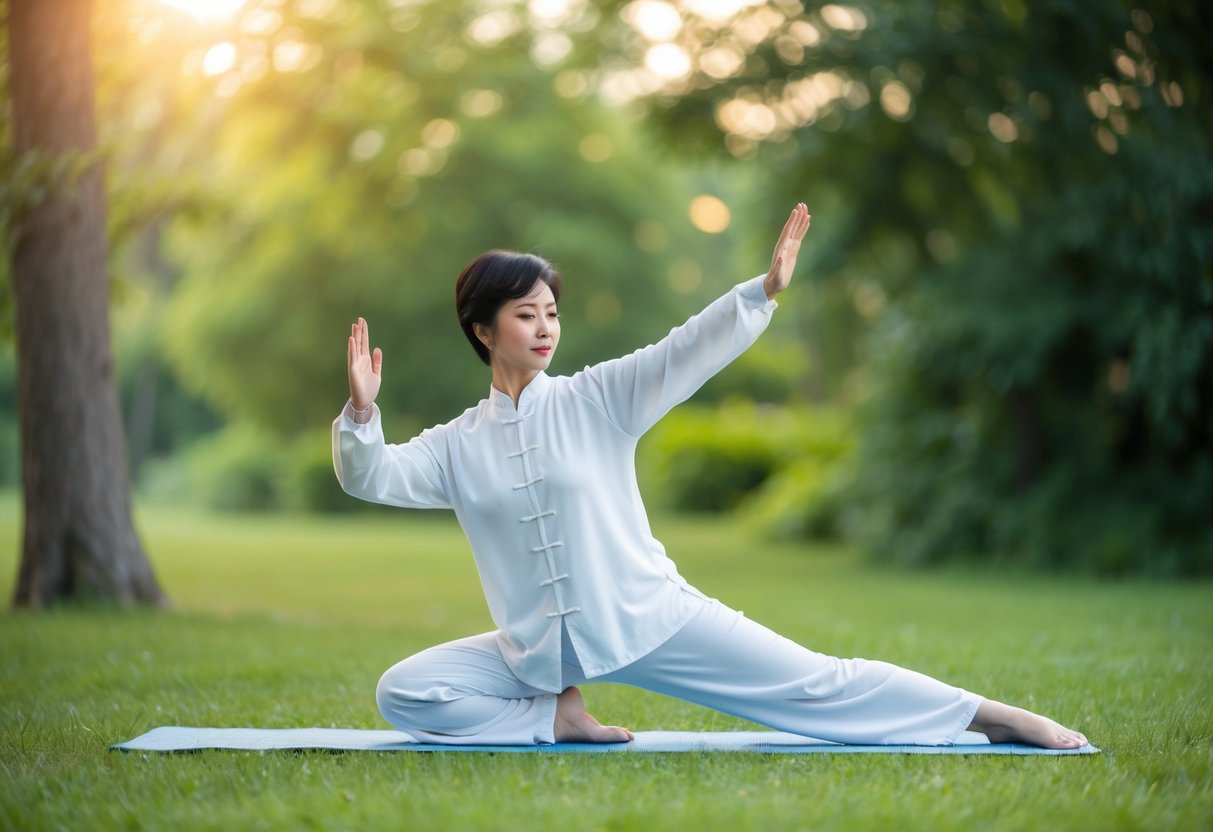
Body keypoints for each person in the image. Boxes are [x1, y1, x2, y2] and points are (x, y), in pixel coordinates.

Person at [332, 204, 1088, 749]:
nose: (545, 329)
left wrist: (759, 294)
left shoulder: (597, 397)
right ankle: (553, 718)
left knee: (817, 686)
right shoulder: (457, 445)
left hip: (646, 619)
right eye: (526, 315)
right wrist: (363, 416)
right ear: (482, 328)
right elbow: (376, 478)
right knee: (405, 690)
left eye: (551, 313)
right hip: (534, 656)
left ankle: (991, 716)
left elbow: (681, 351)